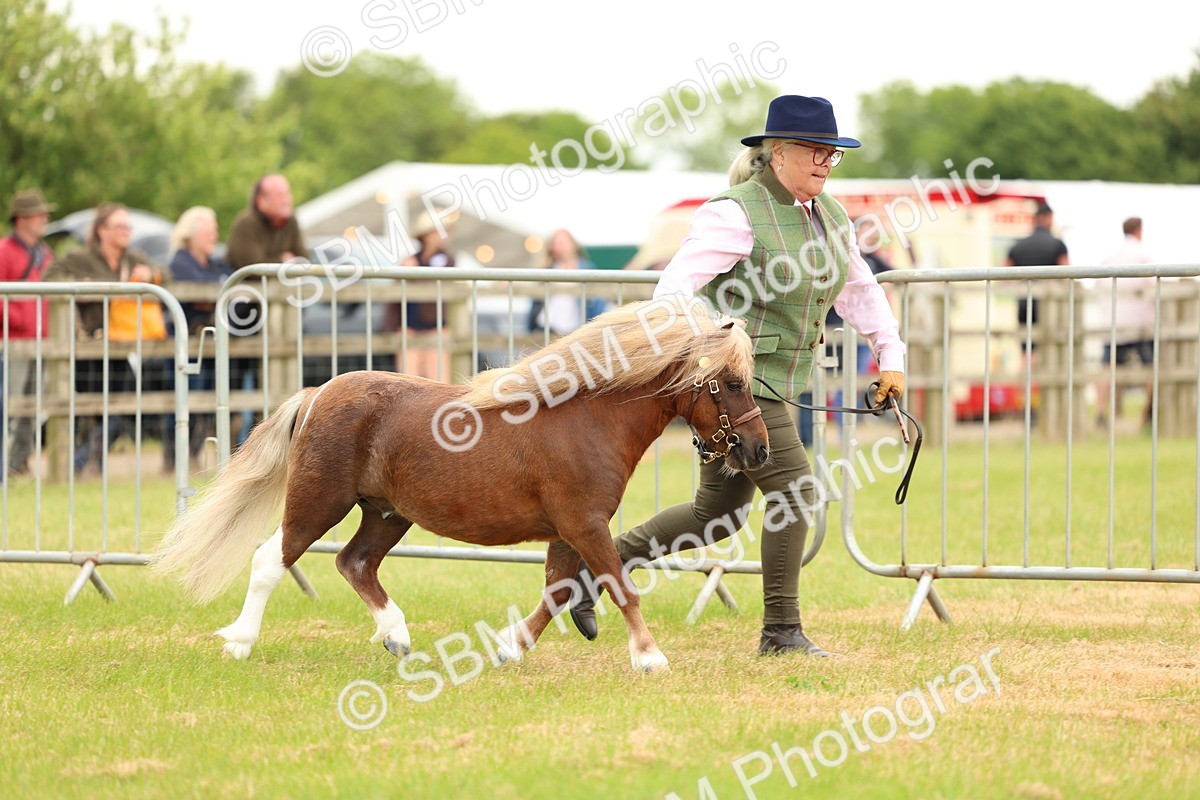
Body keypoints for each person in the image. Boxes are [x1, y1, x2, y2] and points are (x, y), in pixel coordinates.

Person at [567, 95, 907, 657]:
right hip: (734, 387)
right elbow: (673, 289)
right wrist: (711, 346)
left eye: (832, 153)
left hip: (781, 382)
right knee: (798, 494)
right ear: (777, 153)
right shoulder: (735, 212)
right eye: (815, 151)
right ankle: (781, 632)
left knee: (716, 517)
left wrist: (889, 356)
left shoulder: (832, 217)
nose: (825, 162)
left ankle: (591, 565)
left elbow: (860, 291)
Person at [44, 203, 170, 473]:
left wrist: (152, 274)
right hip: (89, 347)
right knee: (97, 408)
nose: (126, 231)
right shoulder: (80, 257)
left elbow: (166, 274)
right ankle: (82, 464)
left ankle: (84, 463)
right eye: (119, 226)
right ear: (102, 230)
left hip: (119, 346)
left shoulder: (133, 257)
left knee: (126, 406)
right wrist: (82, 285)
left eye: (127, 226)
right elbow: (51, 278)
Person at [226, 175, 309, 443]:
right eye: (280, 194)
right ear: (262, 201)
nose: (287, 199)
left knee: (282, 379)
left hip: (283, 315)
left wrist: (284, 263)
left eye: (288, 192)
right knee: (237, 385)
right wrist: (284, 262)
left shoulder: (291, 222)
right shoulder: (246, 224)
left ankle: (277, 440)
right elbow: (250, 264)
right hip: (244, 315)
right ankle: (233, 446)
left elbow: (304, 259)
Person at [165, 206, 233, 471]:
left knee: (203, 400)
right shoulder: (180, 261)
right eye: (208, 231)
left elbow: (228, 286)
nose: (214, 236)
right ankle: (174, 458)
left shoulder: (213, 262)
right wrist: (216, 295)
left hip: (206, 343)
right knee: (182, 401)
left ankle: (191, 454)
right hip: (185, 343)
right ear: (191, 234)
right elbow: (205, 294)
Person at [0, 189, 55, 477]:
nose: (45, 218)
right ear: (22, 218)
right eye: (39, 214)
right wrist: (18, 319)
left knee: (32, 406)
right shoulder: (4, 251)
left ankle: (17, 461)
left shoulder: (44, 254)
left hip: (43, 340)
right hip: (13, 341)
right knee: (8, 402)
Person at [1095, 216, 1155, 425]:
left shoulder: (1110, 257)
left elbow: (1098, 287)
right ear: (1139, 230)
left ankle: (1100, 412)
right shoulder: (1143, 256)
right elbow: (1152, 289)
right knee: (1151, 366)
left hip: (1112, 322)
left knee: (1106, 367)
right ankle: (1149, 413)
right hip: (1138, 322)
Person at [383, 211, 455, 381]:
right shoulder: (410, 260)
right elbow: (394, 293)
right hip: (410, 324)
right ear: (427, 234)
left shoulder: (446, 259)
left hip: (435, 325)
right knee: (408, 376)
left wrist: (414, 271)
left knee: (438, 377)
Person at [1004, 202, 1069, 356]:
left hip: (1024, 302)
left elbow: (1003, 274)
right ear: (1047, 218)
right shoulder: (1057, 244)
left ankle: (1027, 378)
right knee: (1050, 348)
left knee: (1026, 349)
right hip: (1050, 305)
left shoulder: (1018, 245)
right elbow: (1067, 274)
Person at [528, 229, 607, 337]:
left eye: (563, 243)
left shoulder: (587, 269)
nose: (561, 247)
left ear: (573, 244)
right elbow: (535, 304)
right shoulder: (547, 270)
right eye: (556, 244)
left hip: (575, 329)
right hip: (547, 328)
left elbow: (597, 303)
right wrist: (529, 333)